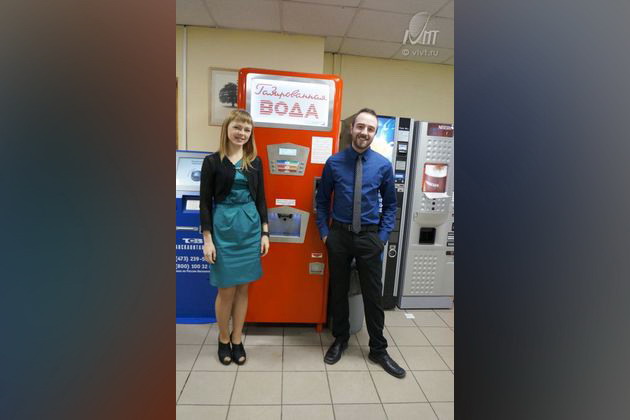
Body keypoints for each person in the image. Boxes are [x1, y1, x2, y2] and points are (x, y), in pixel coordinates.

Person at [315, 108, 406, 378]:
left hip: (369, 237)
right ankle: (340, 339)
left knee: (373, 295)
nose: (364, 132)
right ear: (352, 128)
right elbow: (322, 202)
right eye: (361, 127)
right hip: (339, 236)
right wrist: (325, 234)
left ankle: (378, 349)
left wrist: (382, 238)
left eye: (370, 129)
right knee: (339, 291)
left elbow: (390, 205)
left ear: (374, 133)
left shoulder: (383, 165)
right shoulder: (334, 163)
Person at [200, 109, 270, 366]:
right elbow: (205, 203)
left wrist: (265, 232)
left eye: (247, 129)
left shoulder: (255, 162)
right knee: (226, 289)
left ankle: (237, 338)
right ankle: (223, 338)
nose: (242, 133)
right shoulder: (212, 162)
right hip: (224, 230)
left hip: (250, 230)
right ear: (227, 129)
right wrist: (207, 239)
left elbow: (261, 199)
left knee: (243, 289)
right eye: (237, 127)